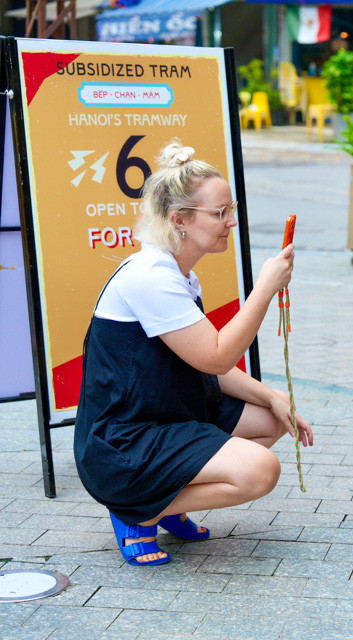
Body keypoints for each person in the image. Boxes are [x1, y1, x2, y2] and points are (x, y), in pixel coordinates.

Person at [74, 140, 313, 567]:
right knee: (261, 471)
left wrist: (272, 397)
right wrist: (264, 288)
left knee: (271, 418)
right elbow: (217, 358)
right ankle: (140, 511)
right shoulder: (151, 277)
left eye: (230, 210)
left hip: (168, 415)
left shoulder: (176, 272)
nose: (230, 222)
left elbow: (204, 365)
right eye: (220, 213)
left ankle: (168, 503)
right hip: (127, 439)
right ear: (179, 220)